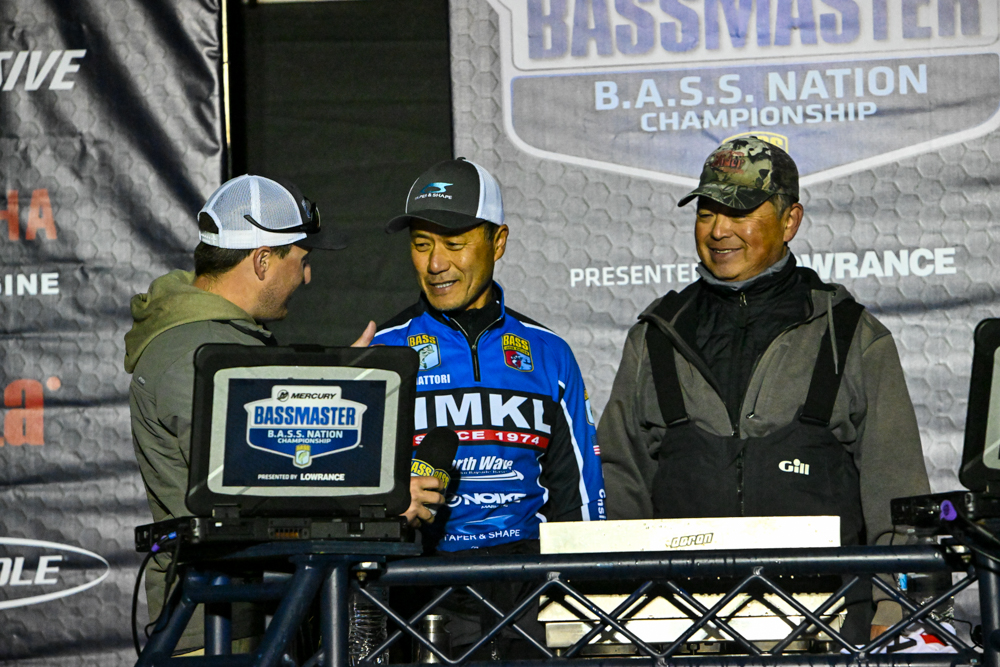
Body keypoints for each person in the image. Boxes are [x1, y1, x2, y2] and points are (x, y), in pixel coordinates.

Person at [597, 137, 930, 641]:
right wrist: (613, 614)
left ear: (790, 220)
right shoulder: (654, 337)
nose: (718, 230)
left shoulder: (853, 336)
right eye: (706, 213)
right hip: (679, 633)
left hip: (829, 631)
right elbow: (619, 486)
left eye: (740, 212)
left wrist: (894, 608)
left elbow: (899, 497)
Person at [124, 175, 378, 654]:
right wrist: (377, 491)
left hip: (250, 614)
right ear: (262, 260)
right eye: (302, 260)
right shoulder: (197, 354)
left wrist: (337, 390)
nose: (306, 277)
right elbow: (255, 479)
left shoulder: (224, 341)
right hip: (216, 627)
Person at [373, 158, 606, 657]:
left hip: (532, 589)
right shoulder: (383, 351)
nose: (436, 264)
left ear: (498, 242)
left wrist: (585, 595)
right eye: (421, 244)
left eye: (454, 244)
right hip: (420, 586)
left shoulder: (549, 352)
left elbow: (580, 499)